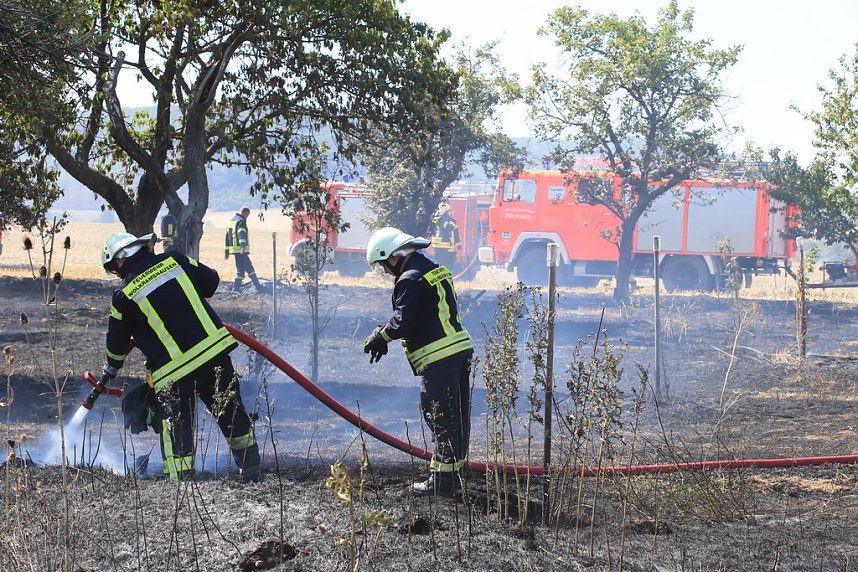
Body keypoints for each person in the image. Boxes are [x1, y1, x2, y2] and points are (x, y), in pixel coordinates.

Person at [100, 232, 261, 482]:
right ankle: (251, 470)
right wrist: (187, 305)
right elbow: (211, 279)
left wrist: (112, 367)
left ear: (120, 260)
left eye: (113, 268)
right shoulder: (174, 260)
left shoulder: (124, 295)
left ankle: (182, 484)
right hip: (213, 354)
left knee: (177, 426)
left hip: (174, 371)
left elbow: (117, 343)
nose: (116, 274)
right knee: (230, 413)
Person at [363, 227, 473, 497]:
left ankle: (443, 483)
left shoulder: (410, 278)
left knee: (440, 417)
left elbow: (403, 321)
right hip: (458, 350)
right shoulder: (434, 268)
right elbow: (421, 315)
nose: (385, 272)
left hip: (439, 357)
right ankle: (453, 476)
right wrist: (386, 333)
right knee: (456, 418)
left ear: (393, 256)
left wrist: (381, 336)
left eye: (382, 265)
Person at [225, 206, 265, 293]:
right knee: (241, 270)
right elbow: (241, 234)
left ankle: (257, 286)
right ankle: (236, 288)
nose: (247, 217)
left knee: (249, 268)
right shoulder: (241, 221)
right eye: (248, 215)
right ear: (245, 213)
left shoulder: (232, 220)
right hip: (240, 250)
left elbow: (227, 236)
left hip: (235, 249)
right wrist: (243, 246)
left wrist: (227, 250)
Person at [431, 200, 460, 273]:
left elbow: (455, 233)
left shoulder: (435, 219)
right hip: (446, 248)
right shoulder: (448, 221)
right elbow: (450, 229)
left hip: (439, 248)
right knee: (447, 267)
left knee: (438, 267)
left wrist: (458, 244)